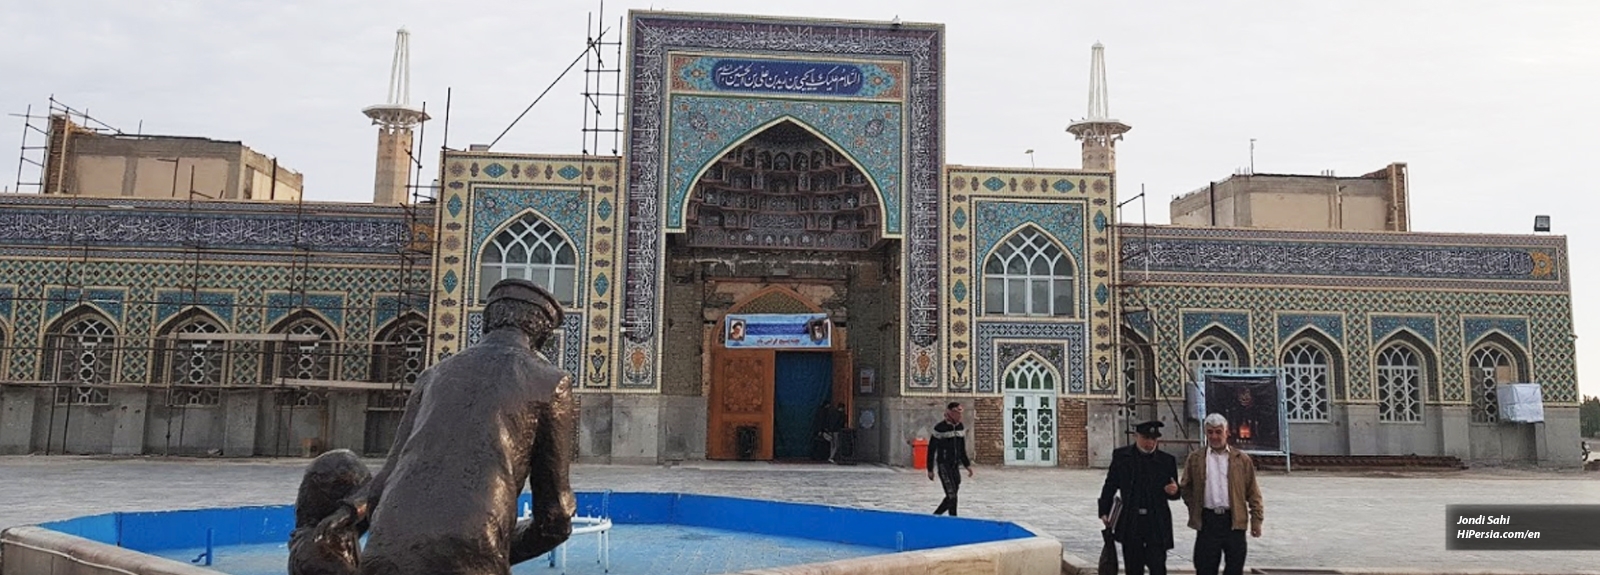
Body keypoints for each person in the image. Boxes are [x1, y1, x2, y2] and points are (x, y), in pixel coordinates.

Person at [299, 278, 576, 575]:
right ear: (543, 335)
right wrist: (491, 551)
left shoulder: (433, 375)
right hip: (472, 549)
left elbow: (388, 476)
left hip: (388, 547)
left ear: (486, 322)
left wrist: (347, 512)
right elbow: (555, 518)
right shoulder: (551, 382)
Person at [1180, 413, 1265, 575]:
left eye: (1218, 432)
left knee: (1234, 567)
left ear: (1227, 433)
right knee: (1205, 567)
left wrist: (1257, 520)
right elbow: (1186, 487)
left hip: (1233, 521)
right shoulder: (1196, 459)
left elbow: (1253, 492)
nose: (1214, 436)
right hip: (1208, 521)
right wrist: (1195, 506)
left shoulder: (1241, 459)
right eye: (1210, 432)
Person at [1098, 420, 1180, 575]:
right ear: (1136, 437)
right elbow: (1110, 485)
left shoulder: (1166, 461)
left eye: (1153, 439)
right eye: (1146, 438)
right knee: (1133, 567)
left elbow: (1175, 492)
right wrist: (1104, 510)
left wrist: (1174, 491)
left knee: (1157, 566)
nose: (1149, 443)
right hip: (1131, 521)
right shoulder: (1122, 457)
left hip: (1156, 523)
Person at [927, 401, 973, 516]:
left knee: (953, 495)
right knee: (952, 496)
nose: (960, 416)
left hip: (955, 466)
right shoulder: (940, 428)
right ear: (951, 413)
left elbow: (962, 449)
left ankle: (940, 517)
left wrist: (967, 465)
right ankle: (948, 518)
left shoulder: (960, 427)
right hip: (944, 465)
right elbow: (931, 449)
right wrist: (930, 469)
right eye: (958, 413)